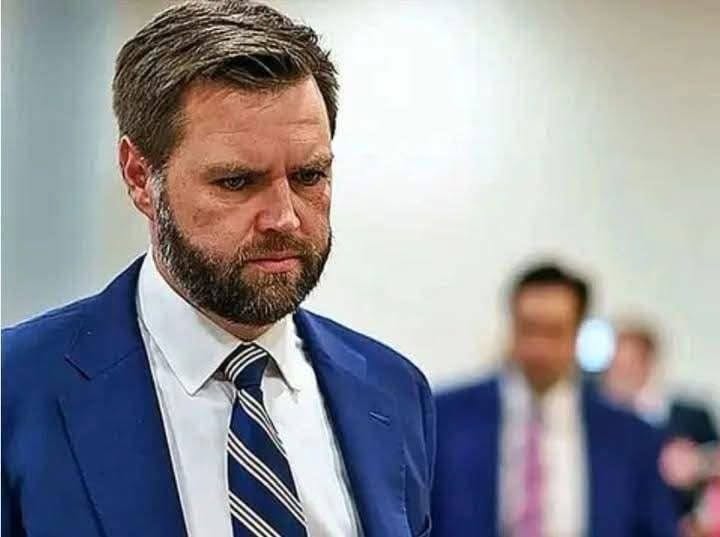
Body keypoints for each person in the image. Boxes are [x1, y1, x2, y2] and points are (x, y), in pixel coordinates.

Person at [1, 2, 435, 536]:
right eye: (236, 182)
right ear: (139, 177)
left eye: (308, 176)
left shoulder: (393, 391)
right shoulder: (17, 389)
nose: (284, 218)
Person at [431, 263, 678, 536]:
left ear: (577, 333)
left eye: (554, 331)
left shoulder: (630, 438)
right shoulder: (446, 419)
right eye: (529, 329)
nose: (539, 347)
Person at [604, 324, 719, 520]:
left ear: (649, 364)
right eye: (615, 367)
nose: (620, 375)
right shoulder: (602, 426)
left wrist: (697, 463)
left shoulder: (691, 416)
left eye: (628, 365)